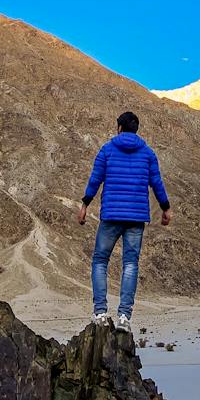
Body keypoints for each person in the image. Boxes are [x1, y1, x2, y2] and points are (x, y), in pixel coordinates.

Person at [77, 111, 171, 332]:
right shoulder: (148, 154)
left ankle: (100, 313)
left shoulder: (107, 150)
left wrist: (85, 204)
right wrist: (166, 208)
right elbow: (156, 183)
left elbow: (95, 179)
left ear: (119, 127)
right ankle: (124, 318)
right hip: (136, 218)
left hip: (111, 215)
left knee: (100, 260)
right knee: (130, 264)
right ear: (136, 129)